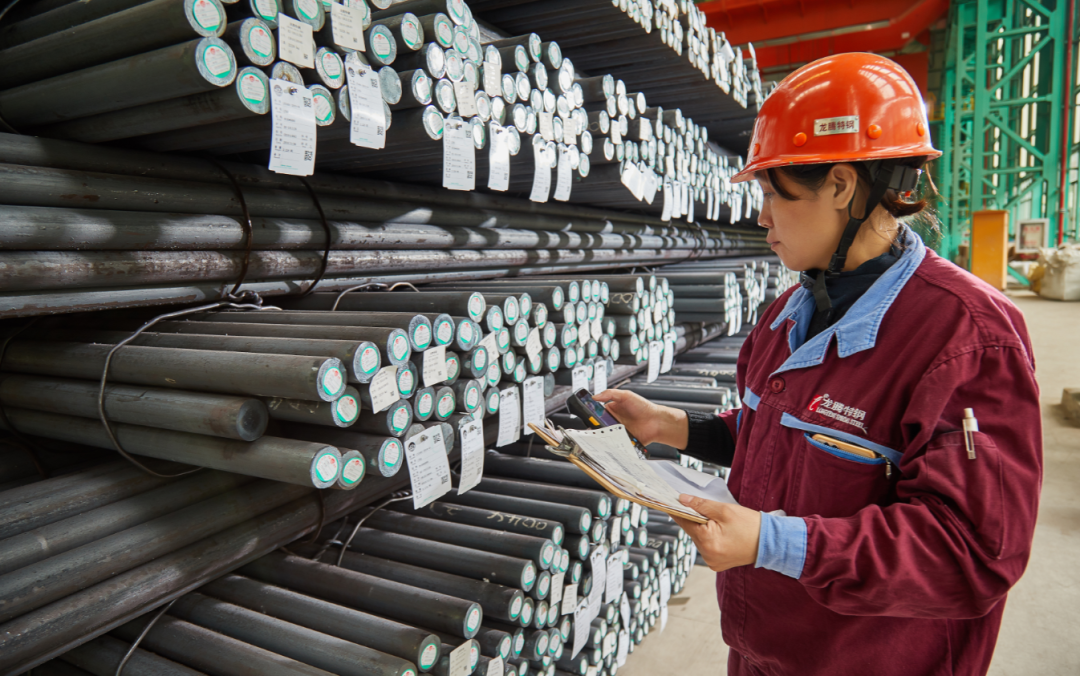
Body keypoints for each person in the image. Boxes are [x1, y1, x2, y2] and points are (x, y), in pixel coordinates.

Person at [595, 53, 1042, 676]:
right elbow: (783, 438)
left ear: (840, 185)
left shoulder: (967, 337)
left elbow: (969, 555)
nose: (761, 217)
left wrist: (770, 542)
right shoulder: (788, 314)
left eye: (771, 193)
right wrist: (671, 427)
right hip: (763, 651)